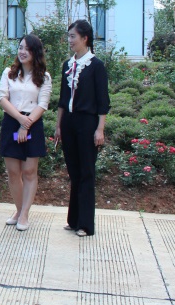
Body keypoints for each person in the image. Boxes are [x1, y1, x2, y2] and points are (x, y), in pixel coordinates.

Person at [55, 19, 109, 237]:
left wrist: (100, 129)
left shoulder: (96, 66)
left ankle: (85, 224)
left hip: (87, 123)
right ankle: (74, 219)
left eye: (73, 36)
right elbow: (62, 99)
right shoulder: (67, 65)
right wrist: (58, 126)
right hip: (69, 123)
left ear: (85, 38)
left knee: (86, 172)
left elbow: (103, 101)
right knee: (74, 172)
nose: (70, 40)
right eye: (69, 36)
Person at [0, 34, 51, 231]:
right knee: (13, 172)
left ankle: (25, 213)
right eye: (20, 47)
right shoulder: (9, 73)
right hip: (12, 121)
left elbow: (43, 104)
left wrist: (25, 125)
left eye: (27, 49)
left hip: (32, 123)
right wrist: (20, 120)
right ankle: (19, 211)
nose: (22, 52)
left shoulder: (44, 77)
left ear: (35, 52)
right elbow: (2, 98)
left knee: (29, 171)